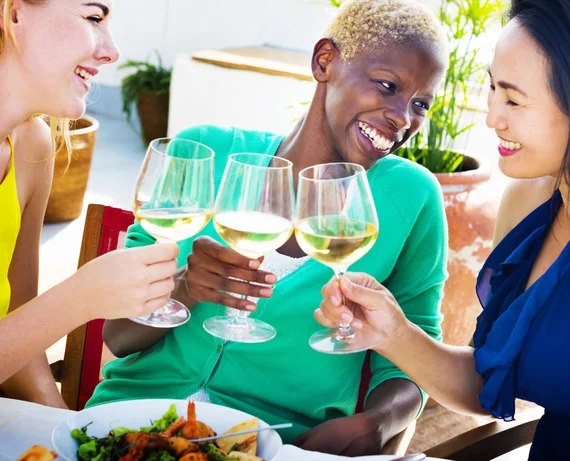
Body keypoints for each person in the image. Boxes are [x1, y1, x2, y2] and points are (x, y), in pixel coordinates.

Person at [88, 0, 450, 455]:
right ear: (326, 61)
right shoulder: (201, 153)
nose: (402, 117)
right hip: (134, 426)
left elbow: (414, 348)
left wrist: (378, 422)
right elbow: (118, 336)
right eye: (387, 85)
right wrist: (183, 288)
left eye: (420, 103)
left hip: (277, 443)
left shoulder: (410, 197)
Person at [315, 0, 570, 459]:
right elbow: (489, 383)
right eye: (491, 89)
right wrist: (395, 333)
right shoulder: (528, 204)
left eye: (514, 98)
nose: (492, 117)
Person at [0, 0, 179, 405]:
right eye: (93, 17)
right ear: (14, 13)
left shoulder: (31, 147)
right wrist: (79, 298)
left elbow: (20, 335)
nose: (111, 51)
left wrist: (67, 431)